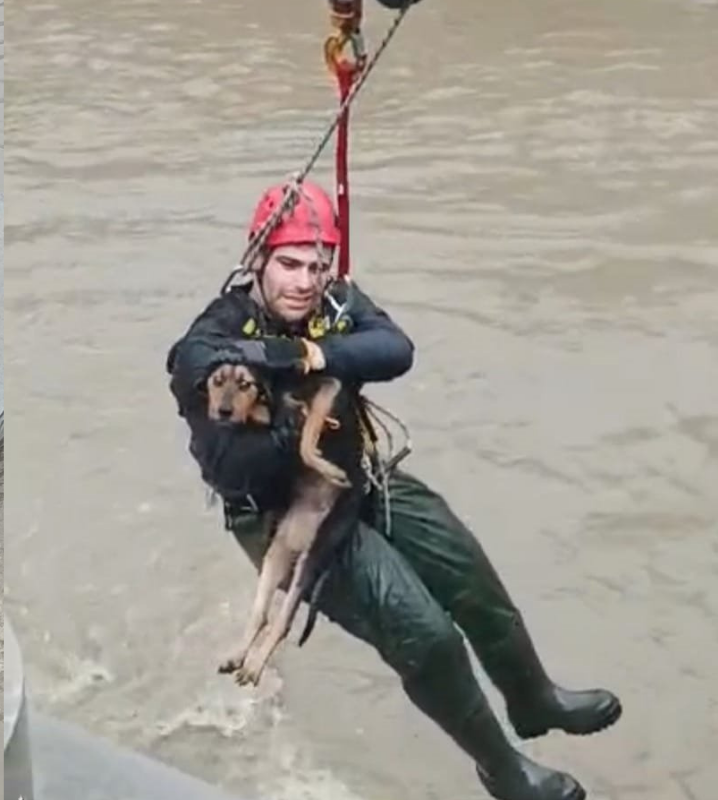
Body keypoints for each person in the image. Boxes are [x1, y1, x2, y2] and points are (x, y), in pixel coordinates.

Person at [165, 181, 620, 800]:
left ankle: (533, 698)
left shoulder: (331, 303)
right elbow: (232, 470)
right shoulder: (214, 339)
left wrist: (307, 354)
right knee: (423, 633)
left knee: (468, 572)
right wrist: (292, 406)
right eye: (289, 265)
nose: (304, 281)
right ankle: (503, 770)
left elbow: (392, 349)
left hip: (358, 474)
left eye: (317, 267)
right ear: (257, 260)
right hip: (282, 512)